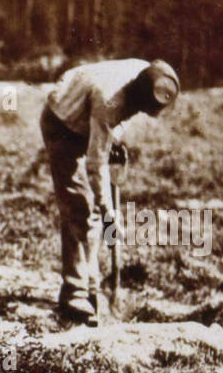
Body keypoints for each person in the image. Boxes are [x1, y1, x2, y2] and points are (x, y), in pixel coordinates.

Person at [41, 58, 179, 324]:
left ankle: (91, 286)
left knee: (88, 212)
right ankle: (76, 294)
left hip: (89, 114)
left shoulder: (146, 72)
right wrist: (107, 210)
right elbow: (96, 163)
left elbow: (119, 118)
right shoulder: (109, 100)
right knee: (80, 208)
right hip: (62, 123)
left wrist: (113, 138)